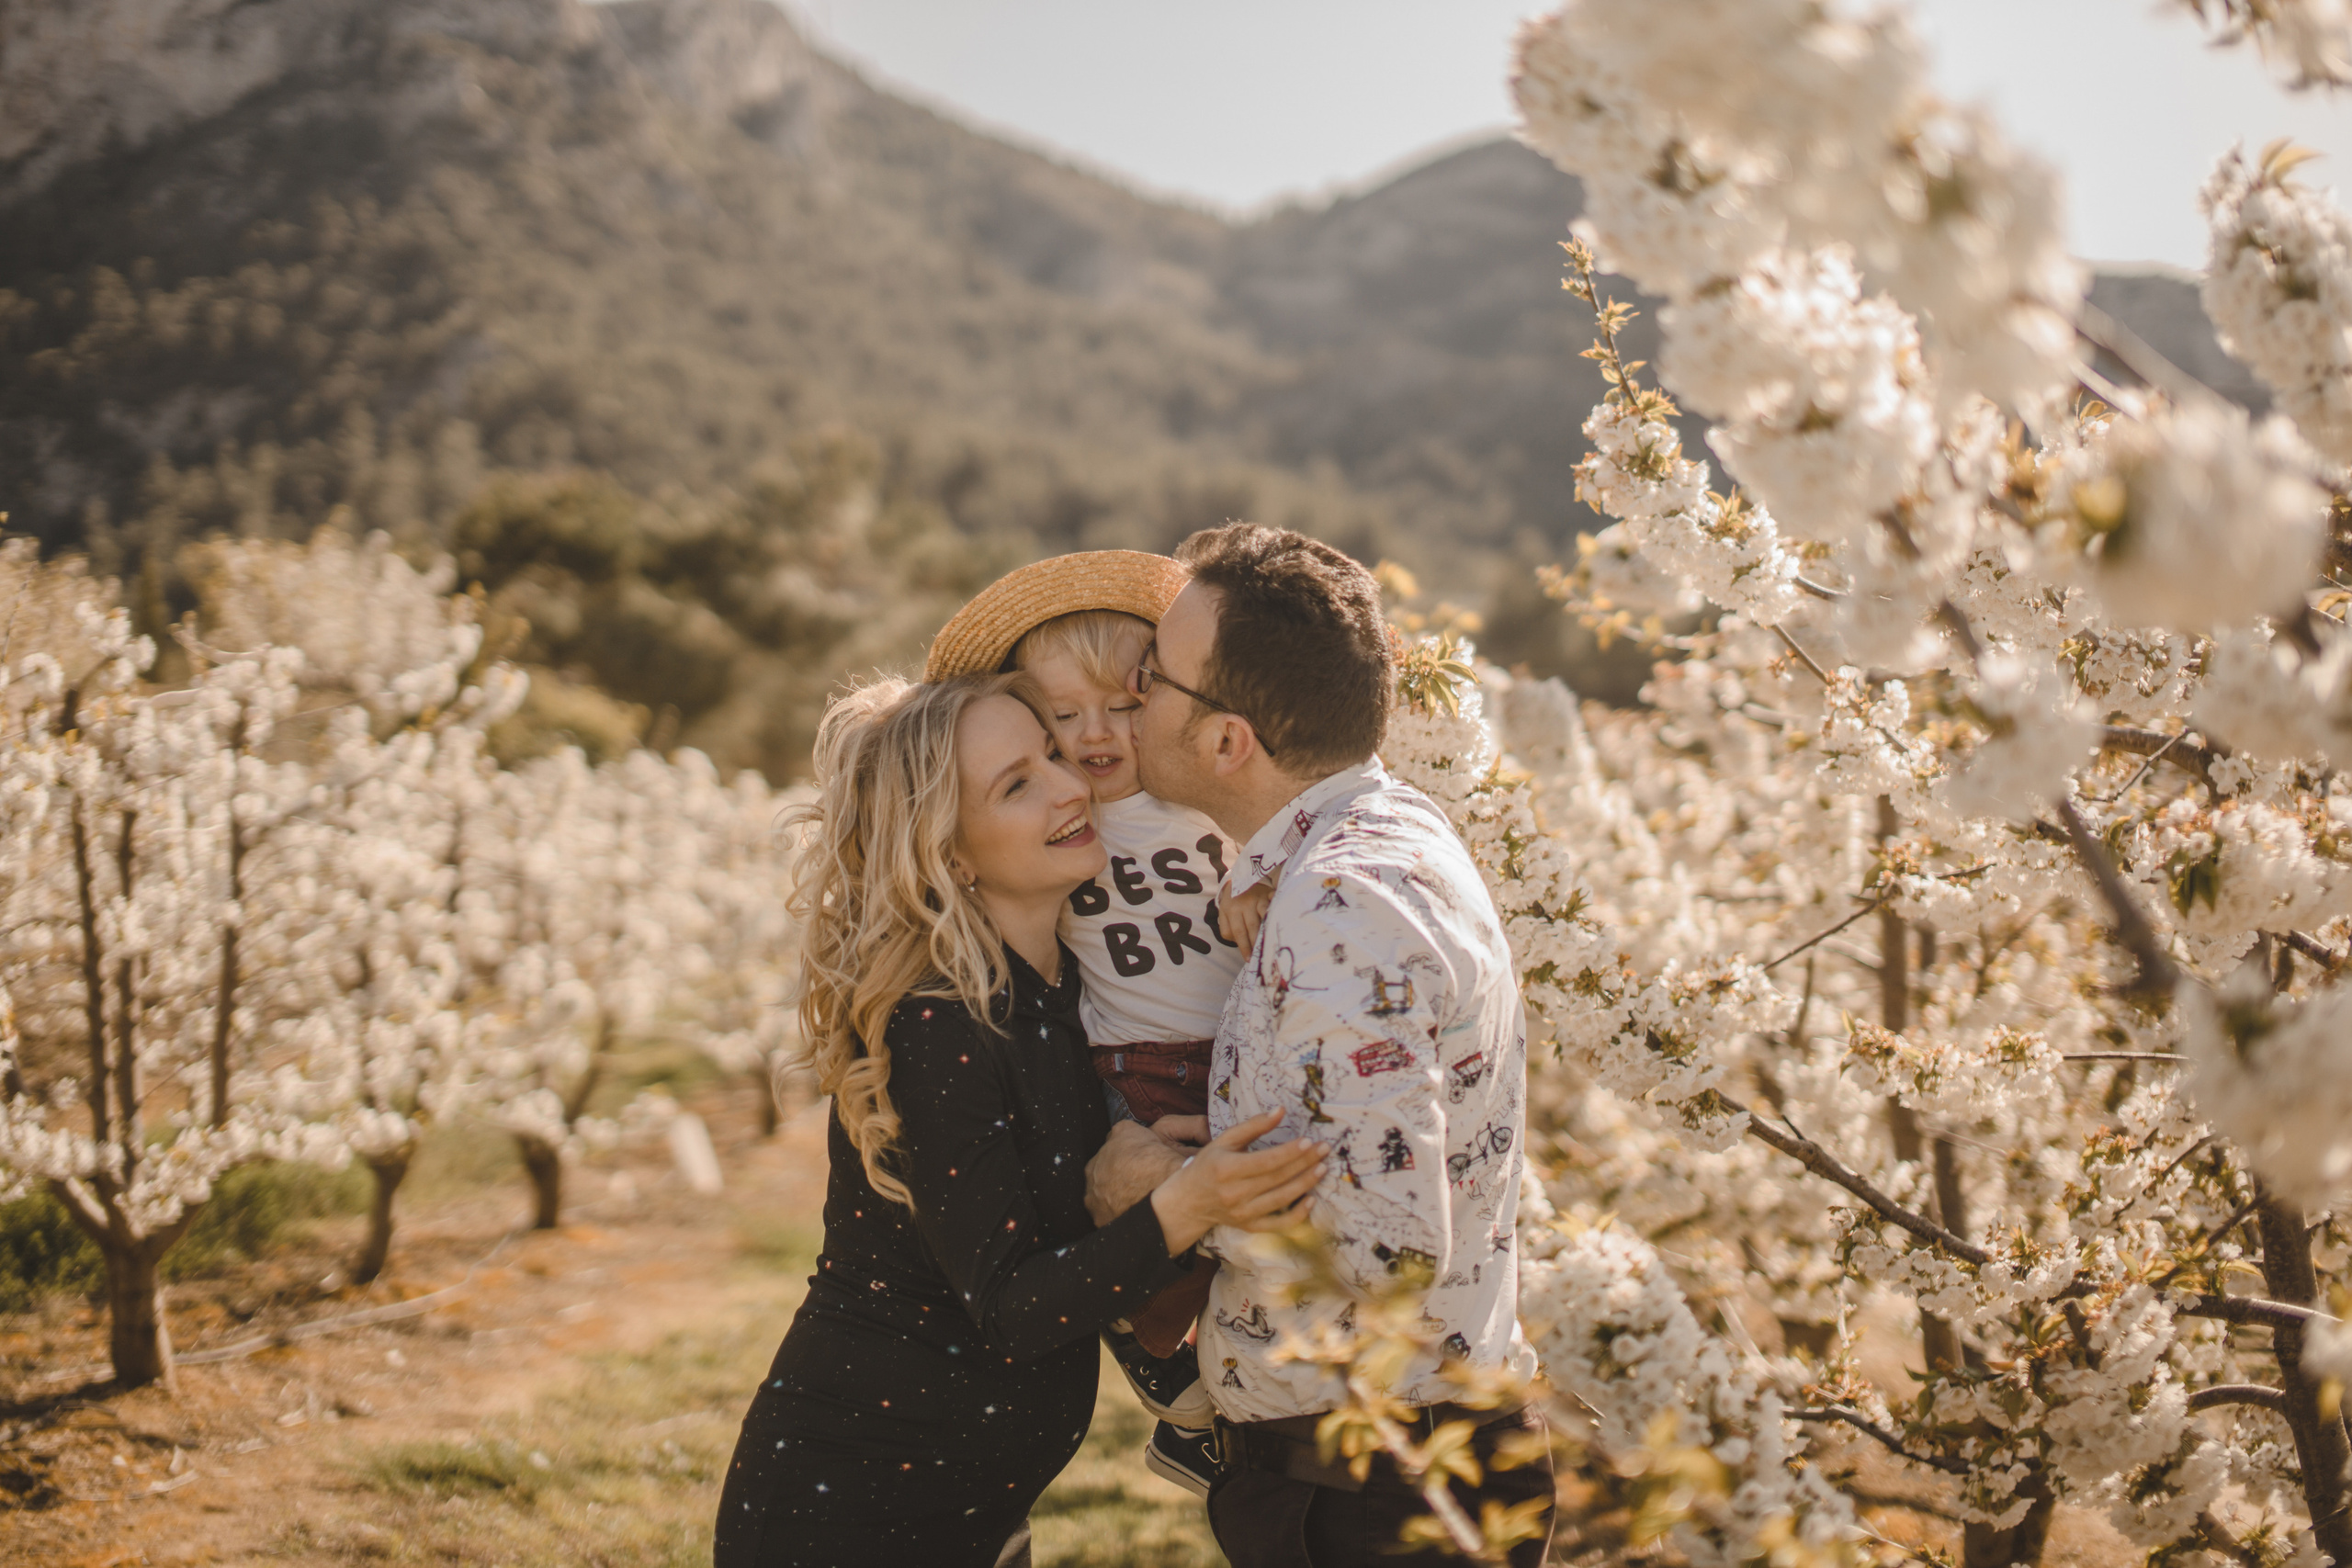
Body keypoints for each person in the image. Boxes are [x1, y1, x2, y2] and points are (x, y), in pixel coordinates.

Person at [713, 672, 1328, 1568]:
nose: (1069, 785)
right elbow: (1010, 1307)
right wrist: (1185, 1206)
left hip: (977, 1508)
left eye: (1049, 753)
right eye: (1016, 785)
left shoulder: (1066, 988)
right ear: (950, 852)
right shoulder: (937, 1021)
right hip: (850, 1511)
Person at [1084, 524, 1555, 1568]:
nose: (1128, 696)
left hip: (1374, 1497)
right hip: (1388, 1471)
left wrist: (1168, 1199)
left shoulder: (1343, 901)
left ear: (1227, 741)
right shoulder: (1364, 851)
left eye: (1153, 677)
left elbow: (1387, 1251)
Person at [922, 552, 1272, 1501]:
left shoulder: (1195, 796)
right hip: (1128, 1063)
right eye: (1062, 718)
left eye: (1124, 705)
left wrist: (1259, 879)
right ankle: (1172, 1389)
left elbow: (1272, 832)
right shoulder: (1060, 817)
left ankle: (1220, 1401)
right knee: (1133, 1216)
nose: (1095, 736)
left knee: (1244, 1230)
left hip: (1231, 1050)